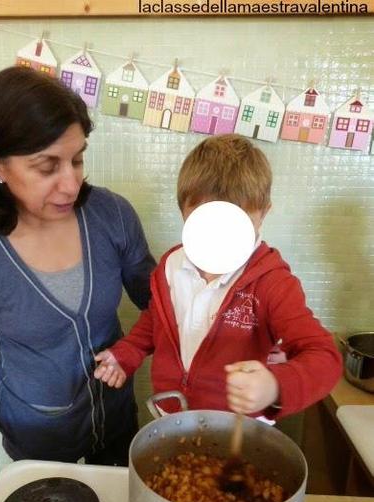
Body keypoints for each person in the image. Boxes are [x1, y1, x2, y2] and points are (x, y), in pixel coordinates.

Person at [0, 66, 155, 502]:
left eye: (77, 159)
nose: (71, 184)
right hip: (34, 433)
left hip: (115, 420)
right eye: (47, 166)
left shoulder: (111, 216)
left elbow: (160, 307)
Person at [94, 134, 342, 419]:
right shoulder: (171, 266)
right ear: (184, 213)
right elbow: (154, 323)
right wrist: (124, 355)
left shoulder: (272, 283)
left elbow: (325, 357)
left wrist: (274, 385)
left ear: (263, 214)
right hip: (172, 413)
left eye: (235, 223)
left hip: (238, 428)